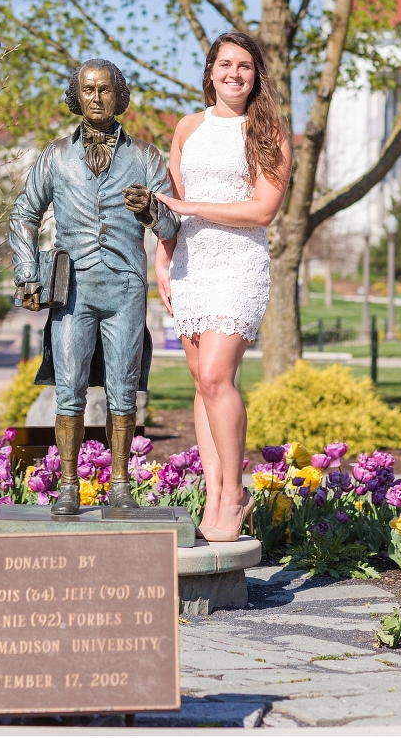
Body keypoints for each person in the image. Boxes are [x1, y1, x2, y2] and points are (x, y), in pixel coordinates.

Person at [8, 58, 180, 515]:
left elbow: (172, 225)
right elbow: (24, 213)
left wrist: (151, 210)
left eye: (106, 89)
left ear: (118, 96)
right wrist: (27, 273)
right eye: (88, 90)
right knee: (70, 388)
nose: (97, 98)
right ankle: (68, 485)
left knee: (123, 390)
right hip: (73, 291)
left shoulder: (145, 157)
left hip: (125, 288)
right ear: (76, 97)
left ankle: (121, 484)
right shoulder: (56, 157)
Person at [154, 33, 291, 542]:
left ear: (257, 77)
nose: (235, 74)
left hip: (238, 263)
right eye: (227, 64)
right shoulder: (188, 127)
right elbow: (171, 206)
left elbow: (263, 210)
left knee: (216, 375)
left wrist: (192, 210)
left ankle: (235, 491)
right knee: (200, 382)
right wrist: (163, 262)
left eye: (246, 67)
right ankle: (213, 493)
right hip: (190, 266)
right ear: (211, 71)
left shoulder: (269, 131)